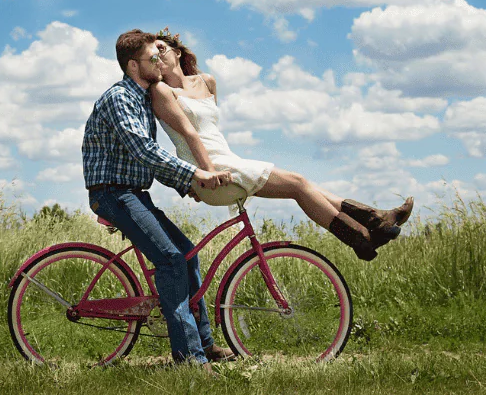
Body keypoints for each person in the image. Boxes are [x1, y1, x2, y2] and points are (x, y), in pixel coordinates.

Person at [149, 27, 414, 261]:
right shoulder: (162, 91)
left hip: (226, 160)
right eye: (151, 55)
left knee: (304, 185)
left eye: (161, 48)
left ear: (177, 52)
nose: (157, 56)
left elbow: (212, 131)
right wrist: (202, 175)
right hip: (208, 170)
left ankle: (374, 223)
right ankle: (363, 234)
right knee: (298, 184)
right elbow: (190, 136)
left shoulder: (206, 81)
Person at [81, 29, 235, 371]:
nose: (160, 63)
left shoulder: (141, 100)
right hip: (112, 193)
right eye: (154, 58)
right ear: (134, 65)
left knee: (188, 255)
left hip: (133, 193)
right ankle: (189, 359)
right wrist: (196, 174)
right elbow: (145, 150)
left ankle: (205, 344)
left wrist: (187, 186)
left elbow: (147, 160)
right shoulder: (120, 98)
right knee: (171, 261)